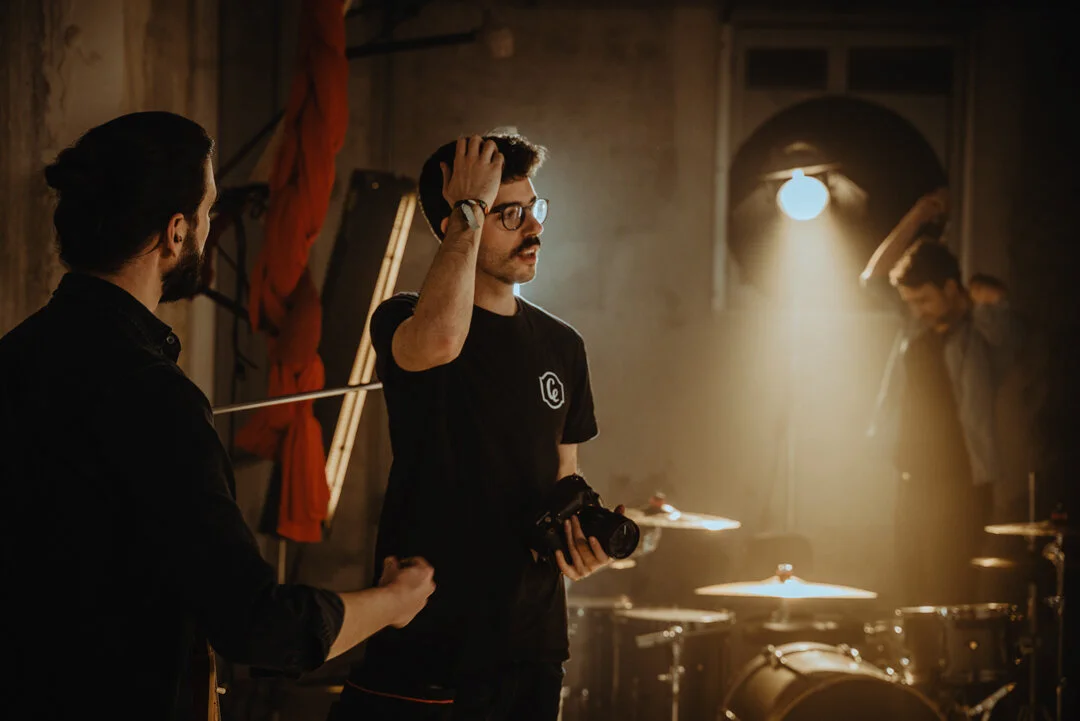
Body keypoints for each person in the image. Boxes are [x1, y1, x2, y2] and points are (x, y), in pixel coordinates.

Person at [0, 111, 435, 721]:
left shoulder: (13, 357)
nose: (209, 225)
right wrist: (393, 601)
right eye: (208, 210)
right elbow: (255, 625)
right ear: (175, 232)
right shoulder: (156, 398)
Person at [329, 134, 617, 721]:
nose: (534, 229)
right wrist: (468, 206)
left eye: (534, 209)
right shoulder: (404, 316)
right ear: (457, 221)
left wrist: (581, 539)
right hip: (432, 640)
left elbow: (564, 477)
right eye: (508, 215)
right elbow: (440, 341)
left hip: (533, 647)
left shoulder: (562, 345)